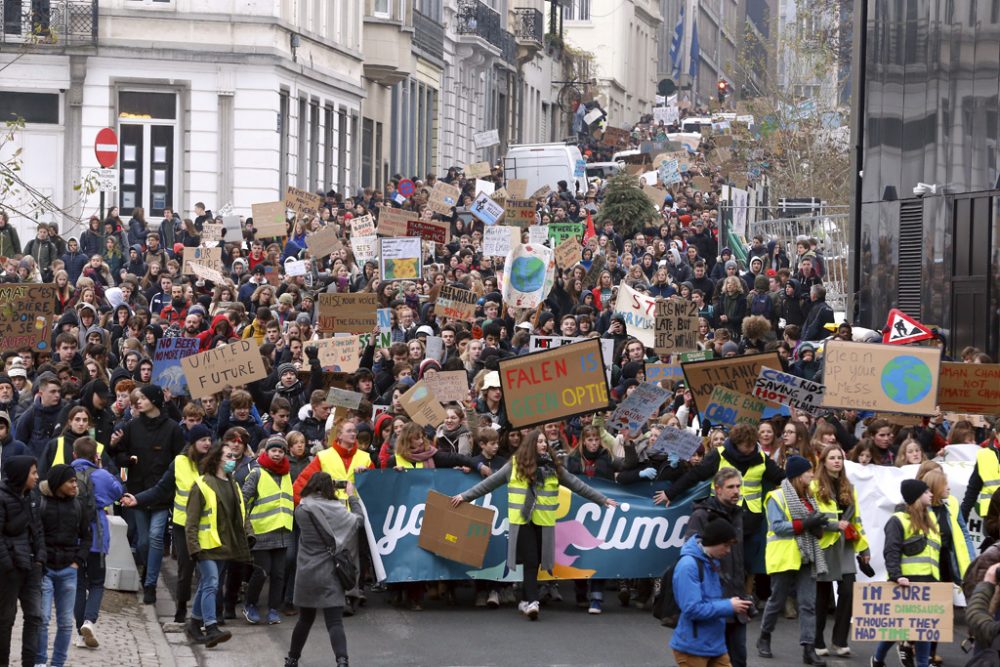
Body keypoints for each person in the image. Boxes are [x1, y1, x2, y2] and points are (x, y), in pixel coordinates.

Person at [451, 428, 619, 621]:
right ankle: (533, 602)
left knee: (537, 561)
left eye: (544, 442)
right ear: (531, 445)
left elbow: (576, 484)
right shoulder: (514, 465)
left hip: (544, 522)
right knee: (530, 559)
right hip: (522, 521)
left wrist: (602, 499)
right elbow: (489, 483)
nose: (543, 445)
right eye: (539, 442)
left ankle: (525, 599)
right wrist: (464, 496)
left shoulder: (553, 467)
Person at [122, 423, 213, 624]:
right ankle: (181, 608)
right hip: (183, 527)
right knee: (186, 570)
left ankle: (207, 616)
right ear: (193, 442)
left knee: (209, 573)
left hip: (209, 526)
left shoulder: (214, 464)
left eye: (209, 439)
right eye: (202, 440)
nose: (207, 443)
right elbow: (161, 489)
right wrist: (138, 499)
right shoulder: (179, 462)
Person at [109, 384, 186, 604]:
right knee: (143, 542)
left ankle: (150, 584)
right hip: (137, 493)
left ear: (153, 400)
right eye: (136, 400)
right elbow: (118, 454)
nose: (138, 402)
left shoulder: (172, 428)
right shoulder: (132, 426)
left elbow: (180, 458)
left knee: (155, 538)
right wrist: (119, 450)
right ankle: (147, 570)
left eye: (142, 398)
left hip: (162, 494)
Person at [756, 455, 829, 666]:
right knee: (777, 600)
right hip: (785, 555)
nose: (812, 475)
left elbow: (814, 524)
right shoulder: (776, 497)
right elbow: (778, 526)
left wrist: (821, 526)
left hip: (807, 555)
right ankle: (764, 636)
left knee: (808, 604)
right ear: (798, 475)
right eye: (808, 471)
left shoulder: (810, 497)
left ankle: (808, 649)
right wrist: (805, 524)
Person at [284, 472, 359, 667]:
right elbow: (357, 520)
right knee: (334, 622)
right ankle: (342, 661)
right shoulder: (335, 508)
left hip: (307, 572)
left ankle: (292, 659)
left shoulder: (301, 508)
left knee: (305, 619)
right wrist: (352, 496)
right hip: (330, 572)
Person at [185, 441, 254, 648]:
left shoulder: (232, 484)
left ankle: (195, 624)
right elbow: (192, 522)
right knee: (212, 583)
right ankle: (211, 626)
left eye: (234, 457)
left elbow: (241, 512)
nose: (233, 460)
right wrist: (194, 548)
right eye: (229, 457)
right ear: (217, 459)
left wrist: (248, 534)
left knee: (207, 584)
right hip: (206, 546)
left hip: (225, 545)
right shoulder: (202, 485)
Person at [871, 479, 941, 667]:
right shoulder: (898, 520)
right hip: (906, 582)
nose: (931, 494)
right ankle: (878, 659)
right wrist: (896, 576)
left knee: (924, 629)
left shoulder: (932, 519)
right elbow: (891, 551)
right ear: (917, 497)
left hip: (929, 582)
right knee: (898, 629)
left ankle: (922, 664)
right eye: (927, 492)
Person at [683, 468, 748, 667]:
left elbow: (737, 558)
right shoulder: (702, 516)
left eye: (738, 486)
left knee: (738, 660)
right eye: (730, 487)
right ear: (717, 489)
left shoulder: (737, 514)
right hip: (713, 602)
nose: (736, 491)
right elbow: (691, 551)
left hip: (736, 601)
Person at [810, 444, 869, 658]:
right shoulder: (815, 487)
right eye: (832, 457)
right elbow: (813, 517)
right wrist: (834, 526)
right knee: (822, 597)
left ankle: (840, 640)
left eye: (840, 458)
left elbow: (857, 521)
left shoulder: (849, 487)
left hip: (844, 546)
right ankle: (817, 641)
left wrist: (864, 548)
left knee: (848, 592)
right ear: (824, 461)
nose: (837, 461)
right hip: (825, 546)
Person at [672, 519, 752, 667]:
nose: (728, 551)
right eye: (726, 545)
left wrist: (736, 606)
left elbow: (711, 601)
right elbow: (692, 609)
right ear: (713, 542)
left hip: (715, 645)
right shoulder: (688, 565)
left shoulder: (711, 562)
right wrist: (729, 606)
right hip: (693, 648)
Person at [70, 436, 123, 649]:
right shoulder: (102, 475)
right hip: (97, 537)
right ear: (96, 456)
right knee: (97, 582)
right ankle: (89, 621)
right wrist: (101, 467)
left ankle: (80, 632)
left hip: (73, 537)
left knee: (79, 584)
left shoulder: (68, 475)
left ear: (74, 455)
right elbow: (118, 491)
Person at [35, 463, 90, 667]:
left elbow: (86, 537)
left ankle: (58, 663)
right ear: (59, 484)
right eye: (71, 481)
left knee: (66, 623)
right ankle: (40, 662)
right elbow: (36, 535)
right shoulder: (40, 504)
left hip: (69, 569)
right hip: (45, 569)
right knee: (42, 619)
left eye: (76, 481)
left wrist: (78, 561)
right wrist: (39, 562)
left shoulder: (78, 506)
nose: (76, 485)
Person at [242, 435, 294, 626]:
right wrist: (245, 527)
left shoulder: (287, 473)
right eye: (274, 450)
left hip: (282, 531)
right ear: (266, 452)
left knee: (279, 574)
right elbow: (244, 499)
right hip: (261, 531)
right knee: (262, 572)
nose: (277, 454)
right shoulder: (256, 473)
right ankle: (250, 604)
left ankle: (273, 609)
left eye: (280, 451)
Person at [0, 455, 44, 667]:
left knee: (35, 617)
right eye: (33, 473)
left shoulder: (32, 498)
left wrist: (40, 559)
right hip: (10, 570)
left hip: (32, 566)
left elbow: (38, 530)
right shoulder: (2, 497)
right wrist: (7, 564)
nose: (37, 477)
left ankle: (29, 663)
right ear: (21, 475)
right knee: (5, 620)